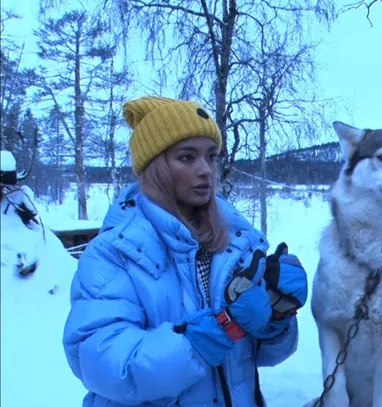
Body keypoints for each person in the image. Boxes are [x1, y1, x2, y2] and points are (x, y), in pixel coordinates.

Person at [62, 96, 308, 407]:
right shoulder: (114, 254)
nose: (205, 170)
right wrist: (208, 335)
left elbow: (258, 358)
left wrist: (277, 313)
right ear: (155, 166)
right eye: (187, 157)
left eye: (211, 156)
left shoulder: (235, 244)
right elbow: (105, 366)